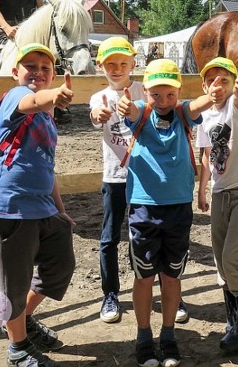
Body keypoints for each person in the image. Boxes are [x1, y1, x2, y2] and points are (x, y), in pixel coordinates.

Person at [0, 43, 75, 367]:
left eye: (45, 68)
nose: (38, 72)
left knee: (60, 268)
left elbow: (48, 168)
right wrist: (56, 95)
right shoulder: (15, 98)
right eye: (30, 66)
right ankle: (18, 348)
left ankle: (24, 320)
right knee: (15, 285)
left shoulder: (47, 119)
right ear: (15, 71)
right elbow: (32, 99)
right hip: (10, 207)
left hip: (43, 208)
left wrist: (60, 210)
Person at [116, 59, 214, 367]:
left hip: (178, 210)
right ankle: (144, 336)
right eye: (156, 94)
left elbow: (199, 104)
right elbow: (128, 109)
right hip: (143, 209)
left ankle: (168, 334)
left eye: (169, 94)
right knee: (144, 276)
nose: (163, 101)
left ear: (178, 91)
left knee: (172, 276)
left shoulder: (184, 114)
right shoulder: (142, 114)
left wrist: (213, 93)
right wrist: (123, 104)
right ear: (145, 90)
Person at [195, 57, 238, 354]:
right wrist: (202, 188)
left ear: (235, 84)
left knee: (233, 258)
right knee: (221, 261)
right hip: (220, 192)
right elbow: (208, 155)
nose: (218, 85)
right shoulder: (206, 116)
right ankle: (237, 317)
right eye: (212, 80)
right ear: (204, 86)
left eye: (225, 79)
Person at [89, 37, 144, 324]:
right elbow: (95, 116)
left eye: (123, 63)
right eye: (110, 63)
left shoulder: (143, 90)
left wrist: (134, 110)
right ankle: (110, 294)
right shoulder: (98, 97)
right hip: (114, 178)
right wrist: (97, 114)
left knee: (144, 236)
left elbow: (152, 113)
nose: (117, 68)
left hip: (144, 178)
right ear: (100, 66)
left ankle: (150, 289)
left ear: (134, 64)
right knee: (110, 237)